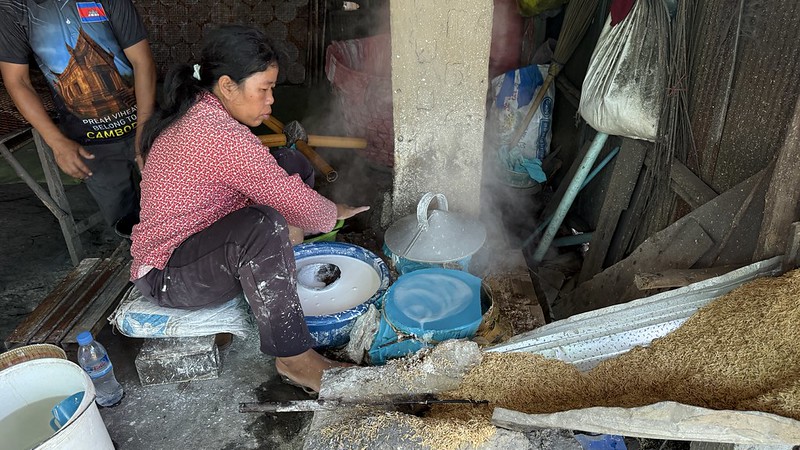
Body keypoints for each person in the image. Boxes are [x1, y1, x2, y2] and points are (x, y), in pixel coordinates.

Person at [130, 24, 368, 393]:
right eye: (264, 89)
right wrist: (330, 213)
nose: (271, 100)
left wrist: (306, 214)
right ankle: (294, 359)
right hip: (169, 275)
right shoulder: (217, 133)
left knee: (290, 162)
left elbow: (275, 180)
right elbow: (281, 196)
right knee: (265, 224)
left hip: (201, 247)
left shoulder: (204, 112)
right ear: (227, 86)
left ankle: (285, 246)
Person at [0, 0, 156, 231]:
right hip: (88, 141)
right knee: (125, 222)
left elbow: (142, 62)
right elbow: (17, 81)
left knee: (179, 207)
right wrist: (57, 142)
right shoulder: (13, 8)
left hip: (147, 124)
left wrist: (145, 130)